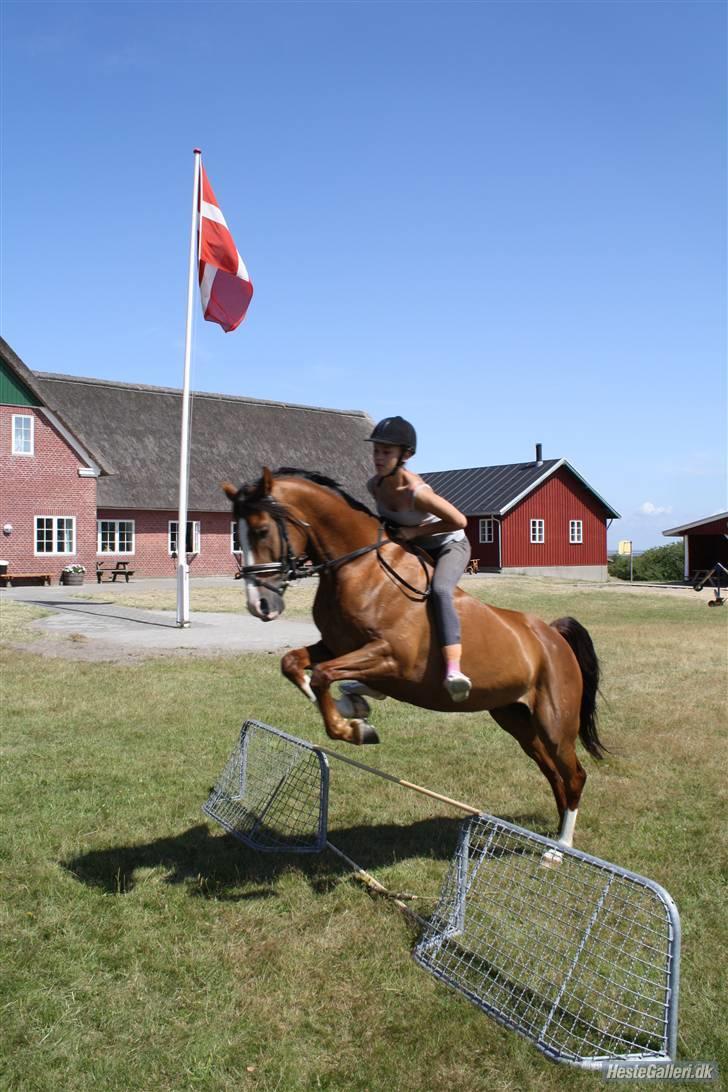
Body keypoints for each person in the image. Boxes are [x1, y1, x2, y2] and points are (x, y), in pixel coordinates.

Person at [338, 415, 472, 716]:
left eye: (386, 452)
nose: (378, 457)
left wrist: (414, 532)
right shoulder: (375, 485)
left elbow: (459, 521)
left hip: (450, 545)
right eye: (376, 451)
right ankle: (375, 678)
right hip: (415, 547)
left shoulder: (418, 492)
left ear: (405, 455)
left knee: (439, 591)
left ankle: (453, 670)